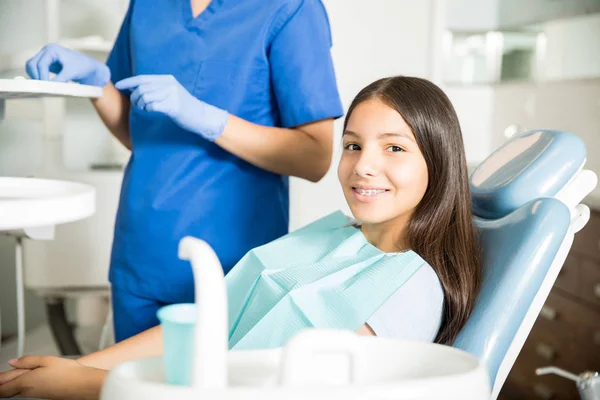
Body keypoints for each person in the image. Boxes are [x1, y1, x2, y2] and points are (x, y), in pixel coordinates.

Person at [0, 76, 482, 400]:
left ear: (437, 161)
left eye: (394, 148)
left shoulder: (411, 289)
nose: (363, 166)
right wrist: (80, 367)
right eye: (352, 145)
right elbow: (214, 326)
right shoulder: (339, 234)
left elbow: (283, 392)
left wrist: (92, 386)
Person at [24, 0, 344, 342]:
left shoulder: (291, 8)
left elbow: (314, 156)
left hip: (231, 264)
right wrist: (96, 83)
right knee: (134, 390)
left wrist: (210, 119)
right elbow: (140, 135)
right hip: (140, 256)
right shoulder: (147, 7)